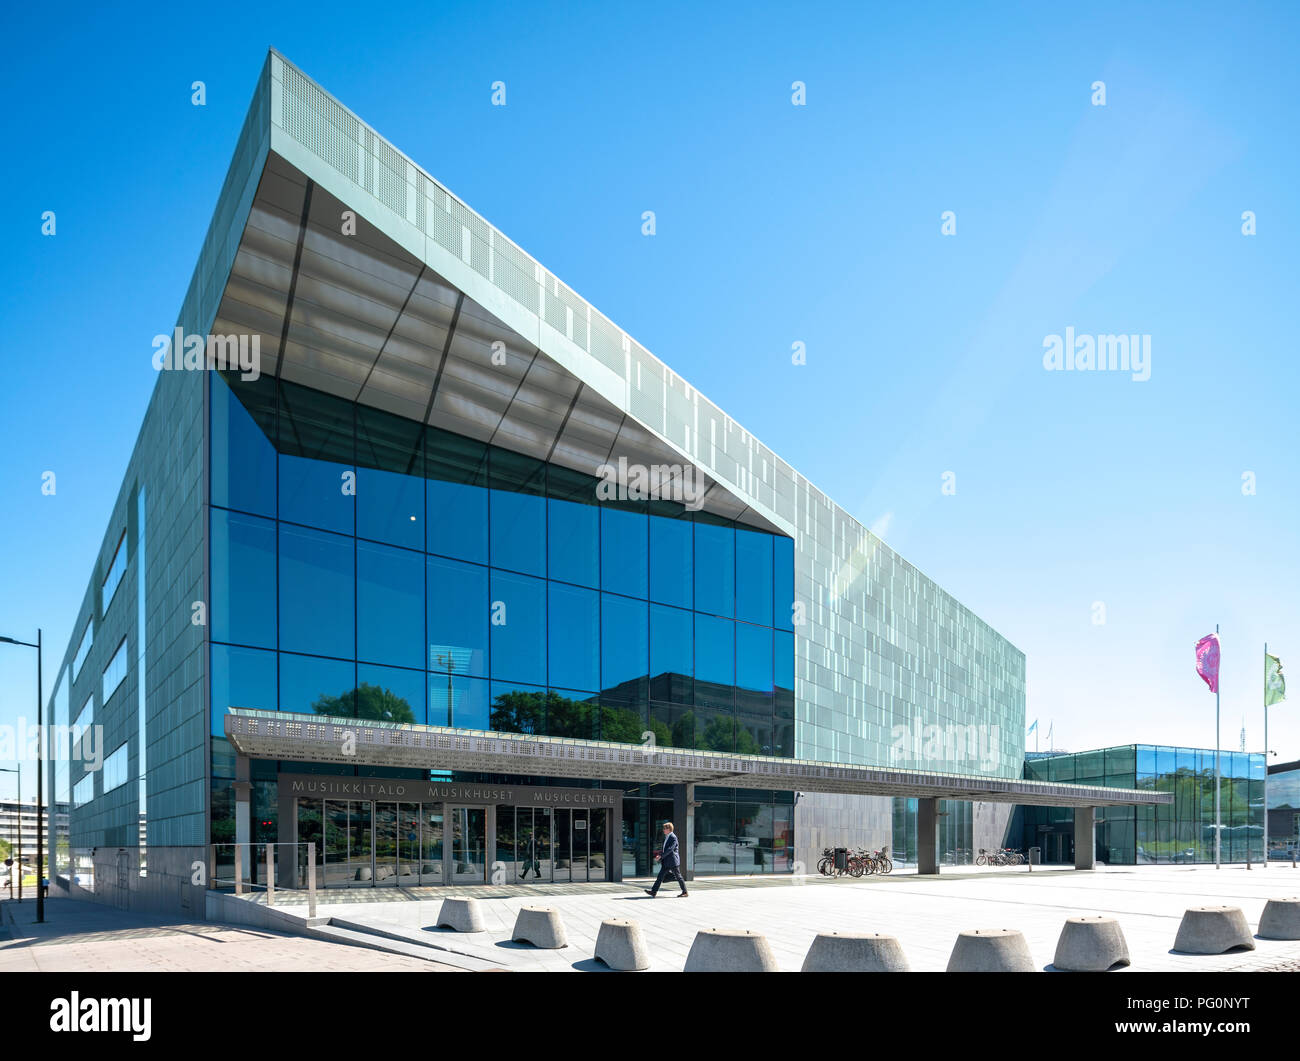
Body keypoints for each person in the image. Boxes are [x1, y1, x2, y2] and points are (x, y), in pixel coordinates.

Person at [645, 821, 688, 897]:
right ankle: (653, 892)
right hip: (667, 861)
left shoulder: (673, 837)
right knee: (660, 877)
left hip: (673, 861)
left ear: (669, 829)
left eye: (665, 828)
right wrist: (660, 854)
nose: (663, 830)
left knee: (678, 876)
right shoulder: (667, 837)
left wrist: (661, 856)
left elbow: (670, 849)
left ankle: (685, 892)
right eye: (664, 828)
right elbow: (665, 850)